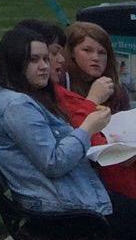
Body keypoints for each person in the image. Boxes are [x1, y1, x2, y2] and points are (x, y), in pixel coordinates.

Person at [0, 24, 136, 240]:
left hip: (72, 195)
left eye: (46, 58)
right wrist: (87, 127)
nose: (44, 66)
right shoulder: (17, 106)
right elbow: (54, 162)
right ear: (15, 62)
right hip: (60, 211)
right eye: (34, 60)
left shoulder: (29, 95)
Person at [57, 20, 136, 204]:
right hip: (93, 178)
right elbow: (73, 136)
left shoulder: (115, 90)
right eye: (87, 50)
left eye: (102, 52)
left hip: (122, 163)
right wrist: (92, 101)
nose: (96, 58)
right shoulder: (63, 86)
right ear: (72, 54)